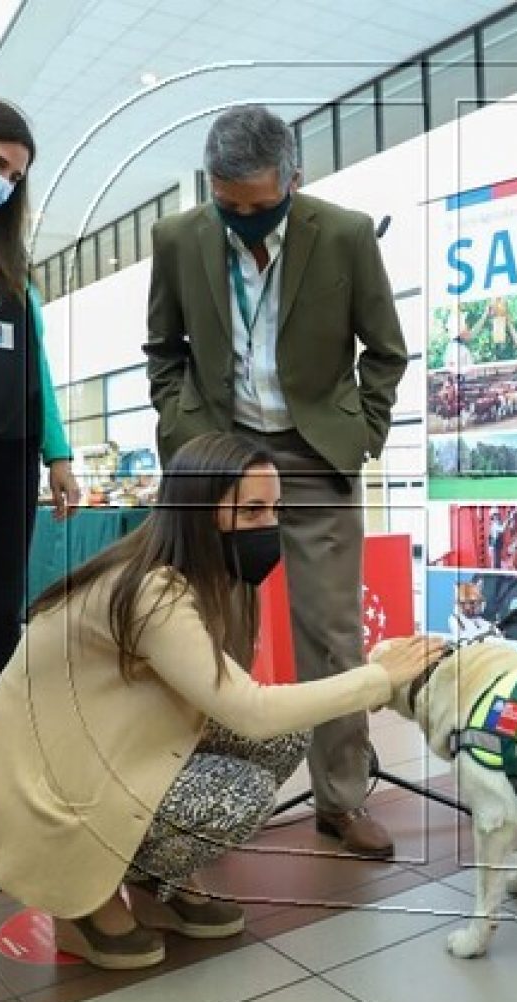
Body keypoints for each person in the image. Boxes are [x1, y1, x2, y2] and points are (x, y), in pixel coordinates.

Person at [0, 433, 443, 969]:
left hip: (102, 753)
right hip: (47, 790)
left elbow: (231, 702)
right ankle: (81, 904)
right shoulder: (153, 591)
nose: (269, 526)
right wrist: (378, 678)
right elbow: (248, 710)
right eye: (252, 509)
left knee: (287, 736)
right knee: (243, 787)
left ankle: (148, 873)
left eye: (275, 509)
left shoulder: (195, 576)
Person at [145, 105, 408, 859]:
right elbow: (164, 350)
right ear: (211, 187)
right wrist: (184, 432)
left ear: (294, 179)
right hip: (220, 458)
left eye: (263, 206)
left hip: (314, 454)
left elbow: (385, 352)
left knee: (331, 632)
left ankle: (343, 798)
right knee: (207, 633)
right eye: (231, 207)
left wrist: (362, 433)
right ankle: (198, 802)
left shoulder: (347, 235)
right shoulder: (178, 240)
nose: (247, 221)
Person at [0, 98, 80, 864]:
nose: (2, 182)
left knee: (1, 624)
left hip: (9, 464)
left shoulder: (11, 269)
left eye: (15, 174)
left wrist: (58, 455)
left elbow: (38, 369)